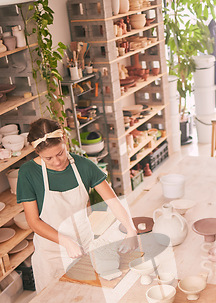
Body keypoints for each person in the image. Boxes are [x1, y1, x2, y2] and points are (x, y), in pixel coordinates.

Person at [17, 118, 137, 292]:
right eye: (48, 158)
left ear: (64, 140)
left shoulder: (83, 166)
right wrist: (64, 241)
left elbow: (113, 201)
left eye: (60, 153)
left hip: (86, 249)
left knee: (87, 299)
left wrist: (131, 229)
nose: (57, 162)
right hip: (52, 256)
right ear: (37, 152)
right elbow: (33, 222)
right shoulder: (28, 173)